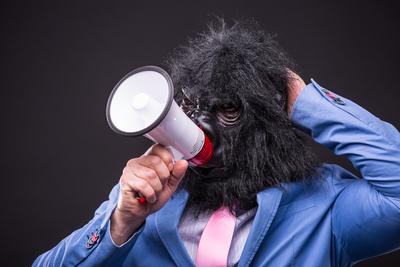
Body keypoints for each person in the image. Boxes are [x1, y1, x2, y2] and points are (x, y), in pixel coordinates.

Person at [33, 20, 400, 267]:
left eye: (227, 109)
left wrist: (305, 101)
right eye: (193, 108)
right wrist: (120, 223)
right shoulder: (142, 198)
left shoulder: (325, 207)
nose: (202, 125)